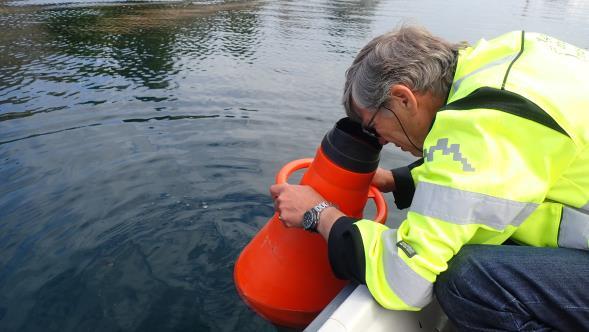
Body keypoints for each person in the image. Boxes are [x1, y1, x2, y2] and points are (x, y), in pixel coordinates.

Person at [270, 26, 589, 331]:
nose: (379, 141)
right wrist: (396, 180)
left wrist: (319, 214)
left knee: (467, 278)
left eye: (372, 127)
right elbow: (493, 168)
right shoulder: (505, 61)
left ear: (403, 98)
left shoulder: (487, 122)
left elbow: (405, 281)